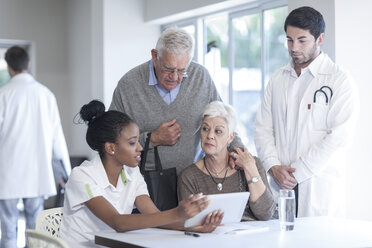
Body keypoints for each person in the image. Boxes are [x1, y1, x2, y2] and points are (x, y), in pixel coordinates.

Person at [60, 100, 223, 247]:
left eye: (138, 141)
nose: (140, 148)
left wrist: (193, 226)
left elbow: (155, 217)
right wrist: (177, 213)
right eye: (132, 143)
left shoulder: (132, 172)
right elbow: (118, 223)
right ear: (111, 148)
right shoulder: (82, 176)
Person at [254, 6, 359, 217]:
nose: (294, 47)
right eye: (289, 40)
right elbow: (262, 129)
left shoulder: (339, 80)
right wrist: (273, 166)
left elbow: (338, 138)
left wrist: (296, 174)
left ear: (319, 39)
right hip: (279, 187)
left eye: (302, 40)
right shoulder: (277, 79)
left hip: (318, 190)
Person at [109, 27, 243, 174]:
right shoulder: (129, 84)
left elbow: (224, 120)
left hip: (194, 179)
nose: (174, 77)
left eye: (181, 70)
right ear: (155, 56)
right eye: (168, 68)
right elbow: (111, 138)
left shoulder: (200, 77)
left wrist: (239, 151)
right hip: (145, 182)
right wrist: (151, 139)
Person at [0, 46, 71, 248]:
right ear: (28, 64)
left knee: (8, 231)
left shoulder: (3, 95)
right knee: (36, 231)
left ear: (9, 66)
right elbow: (57, 136)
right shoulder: (45, 94)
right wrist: (66, 171)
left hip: (7, 173)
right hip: (36, 172)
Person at [178, 101, 275, 221]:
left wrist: (250, 168)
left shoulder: (252, 164)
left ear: (230, 137)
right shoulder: (189, 176)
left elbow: (266, 213)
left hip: (252, 237)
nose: (210, 136)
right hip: (209, 238)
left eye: (218, 131)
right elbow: (189, 222)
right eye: (205, 129)